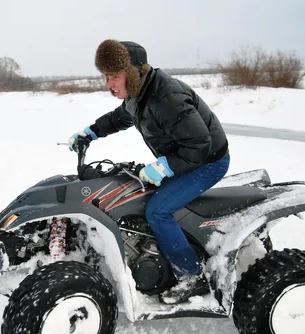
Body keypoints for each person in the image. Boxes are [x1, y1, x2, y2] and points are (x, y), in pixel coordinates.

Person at [68, 39, 230, 304]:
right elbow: (120, 117)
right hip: (185, 157)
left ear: (132, 73)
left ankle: (192, 277)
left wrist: (166, 166)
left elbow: (200, 145)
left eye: (114, 76)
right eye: (106, 76)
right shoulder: (137, 94)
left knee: (158, 210)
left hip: (208, 161)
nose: (109, 84)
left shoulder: (167, 97)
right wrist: (91, 132)